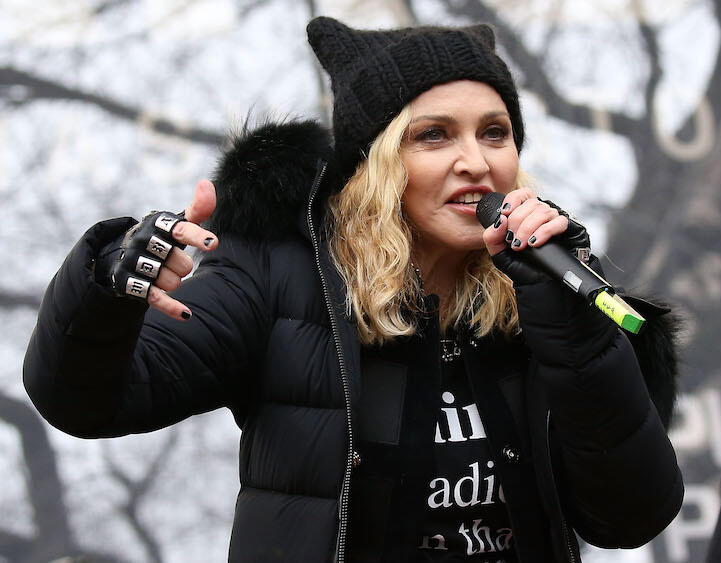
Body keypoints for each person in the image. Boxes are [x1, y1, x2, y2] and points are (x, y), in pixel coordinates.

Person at [23, 16, 683, 563]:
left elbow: (631, 516)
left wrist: (574, 330)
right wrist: (107, 288)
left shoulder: (551, 292)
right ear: (375, 163)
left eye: (495, 132)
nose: (476, 163)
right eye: (433, 135)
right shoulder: (280, 278)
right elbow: (81, 401)